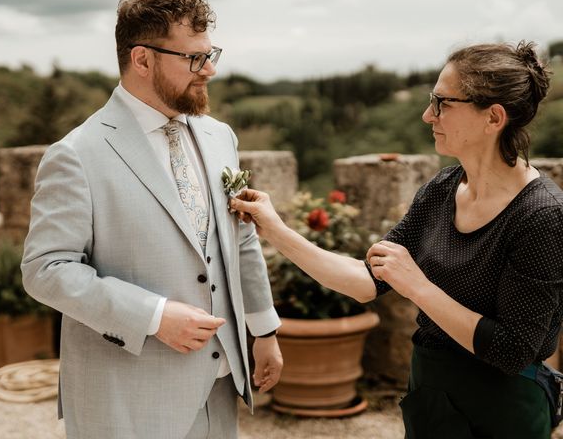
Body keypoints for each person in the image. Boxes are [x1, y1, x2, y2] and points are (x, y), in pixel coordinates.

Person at [230, 41, 563, 438]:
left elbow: (512, 350)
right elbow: (368, 281)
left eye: (442, 103)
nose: (427, 115)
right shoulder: (440, 189)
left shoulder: (541, 215)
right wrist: (276, 230)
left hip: (502, 410)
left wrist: (418, 287)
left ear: (493, 117)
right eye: (430, 100)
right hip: (430, 395)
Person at [21, 0, 282, 439]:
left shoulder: (220, 136)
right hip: (125, 396)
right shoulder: (76, 154)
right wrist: (155, 316)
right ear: (142, 60)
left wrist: (263, 330)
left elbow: (239, 238)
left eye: (210, 53)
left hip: (220, 387)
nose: (211, 70)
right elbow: (45, 270)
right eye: (194, 59)